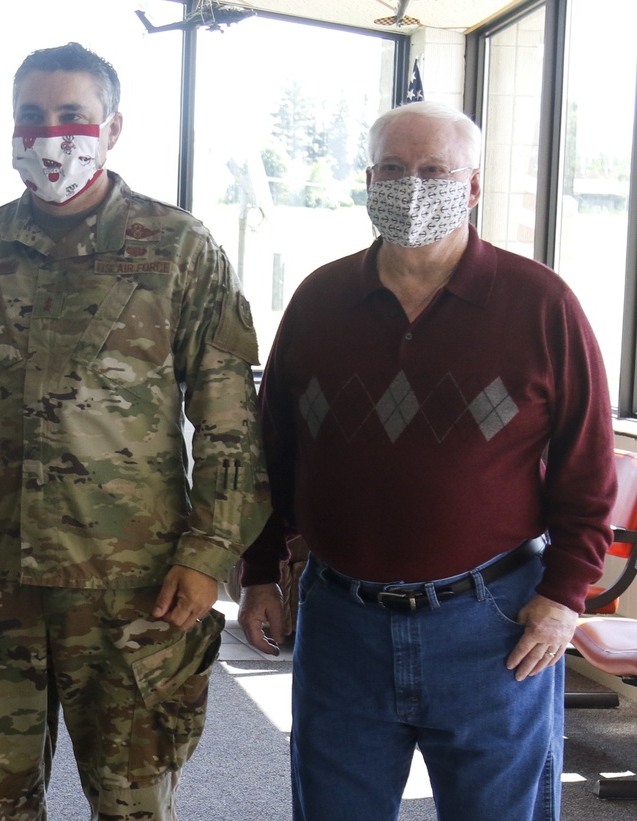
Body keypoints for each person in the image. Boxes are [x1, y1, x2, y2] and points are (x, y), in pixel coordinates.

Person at [0, 42, 269, 820]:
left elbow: (231, 423)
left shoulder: (176, 248)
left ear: (112, 126)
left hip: (132, 587)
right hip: (0, 581)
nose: (51, 134)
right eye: (32, 116)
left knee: (131, 801)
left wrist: (209, 556)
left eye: (72, 115)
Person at [237, 101, 616, 821]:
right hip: (341, 621)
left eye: (434, 170)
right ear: (367, 178)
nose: (411, 186)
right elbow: (272, 455)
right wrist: (259, 572)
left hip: (496, 623)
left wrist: (567, 597)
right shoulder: (319, 302)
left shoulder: (542, 305)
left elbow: (588, 469)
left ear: (472, 187)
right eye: (392, 169)